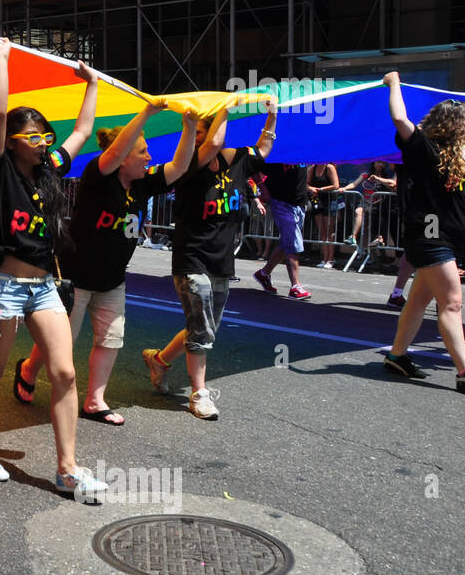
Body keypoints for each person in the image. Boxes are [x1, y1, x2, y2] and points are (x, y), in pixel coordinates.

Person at [0, 38, 109, 497]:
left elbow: (84, 132)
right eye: (34, 137)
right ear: (12, 143)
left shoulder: (50, 170)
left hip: (46, 285)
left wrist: (90, 85)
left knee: (65, 373)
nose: (44, 144)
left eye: (47, 137)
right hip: (5, 285)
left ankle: (68, 467)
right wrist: (3, 57)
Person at [15, 101, 199, 432]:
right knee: (58, 342)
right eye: (142, 152)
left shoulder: (143, 183)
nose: (148, 158)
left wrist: (188, 125)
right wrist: (145, 114)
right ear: (124, 156)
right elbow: (113, 153)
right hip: (76, 277)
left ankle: (94, 401)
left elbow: (181, 166)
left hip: (112, 280)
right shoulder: (98, 176)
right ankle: (28, 371)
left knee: (110, 339)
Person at [142, 98, 278, 419]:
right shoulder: (189, 166)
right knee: (202, 328)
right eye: (199, 133)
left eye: (204, 132)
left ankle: (159, 360)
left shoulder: (240, 160)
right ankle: (199, 393)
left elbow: (265, 147)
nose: (203, 138)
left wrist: (273, 114)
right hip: (191, 260)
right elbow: (216, 141)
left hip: (221, 263)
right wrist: (225, 106)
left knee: (202, 327)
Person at [380, 72, 465, 390]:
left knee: (417, 302)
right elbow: (399, 117)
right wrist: (394, 83)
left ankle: (397, 356)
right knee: (451, 302)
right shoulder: (426, 149)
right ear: (452, 122)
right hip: (430, 231)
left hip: (455, 237)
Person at [253, 162, 313, 298]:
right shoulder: (278, 151)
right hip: (281, 201)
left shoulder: (305, 149)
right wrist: (263, 189)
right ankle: (295, 286)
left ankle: (263, 274)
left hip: (299, 202)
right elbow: (253, 169)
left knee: (287, 242)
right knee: (293, 242)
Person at [308, 162, 342, 268]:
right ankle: (324, 258)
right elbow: (306, 183)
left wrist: (321, 189)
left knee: (329, 230)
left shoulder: (329, 167)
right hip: (317, 201)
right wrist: (310, 189)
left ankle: (330, 259)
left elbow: (336, 185)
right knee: (322, 230)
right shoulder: (313, 168)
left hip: (329, 200)